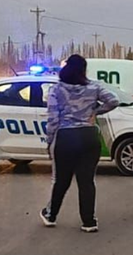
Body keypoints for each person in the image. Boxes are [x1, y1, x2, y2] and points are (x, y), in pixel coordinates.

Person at [40, 55, 120, 232]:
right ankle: (89, 222)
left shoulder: (56, 90)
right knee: (87, 181)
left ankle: (50, 215)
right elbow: (114, 100)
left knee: (62, 180)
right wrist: (95, 111)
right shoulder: (94, 86)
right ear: (84, 69)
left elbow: (53, 119)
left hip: (66, 137)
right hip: (89, 136)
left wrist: (50, 141)